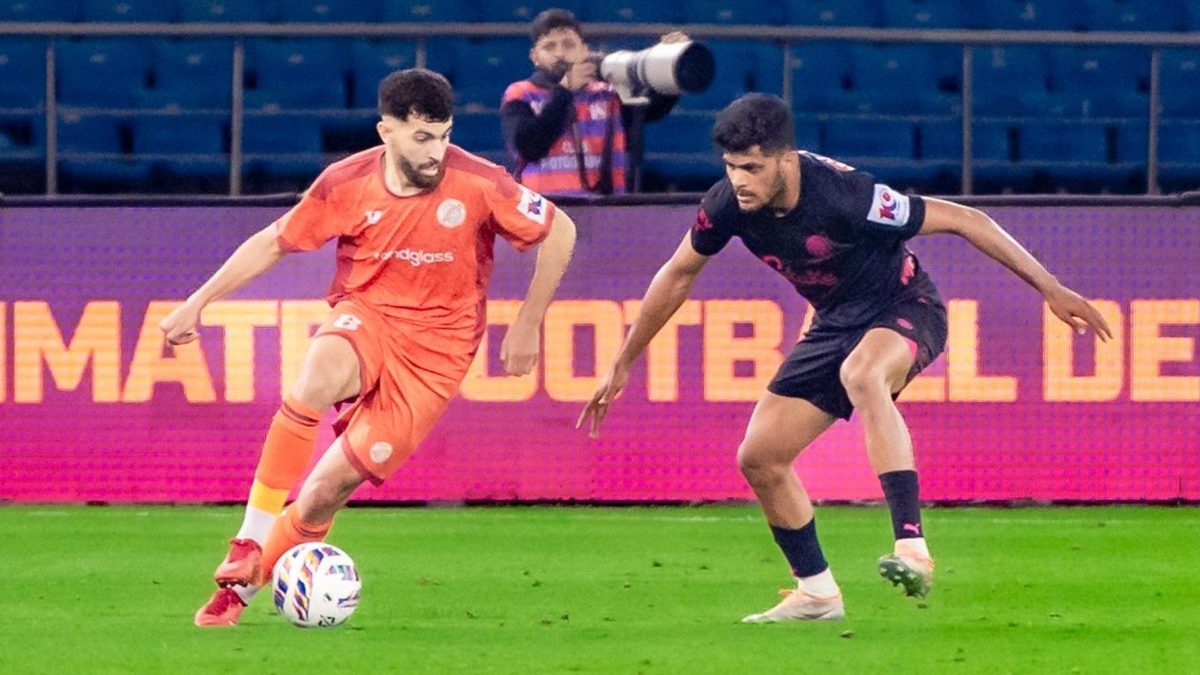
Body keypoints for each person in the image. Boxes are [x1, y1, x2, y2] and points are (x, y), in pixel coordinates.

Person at [577, 94, 1112, 622]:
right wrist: (624, 361)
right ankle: (817, 594)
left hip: (905, 307)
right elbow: (677, 273)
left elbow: (966, 219)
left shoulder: (848, 196)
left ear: (786, 159)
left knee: (863, 373)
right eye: (731, 166)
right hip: (833, 323)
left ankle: (912, 547)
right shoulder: (727, 206)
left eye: (752, 168)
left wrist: (1051, 287)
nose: (739, 180)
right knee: (760, 457)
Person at [163, 68, 577, 627]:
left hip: (437, 355)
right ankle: (248, 541)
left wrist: (528, 323)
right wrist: (197, 302)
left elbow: (561, 229)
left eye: (444, 136)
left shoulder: (479, 181)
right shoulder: (346, 181)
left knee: (322, 494)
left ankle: (237, 597)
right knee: (316, 376)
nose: (436, 152)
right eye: (422, 137)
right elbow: (274, 242)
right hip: (369, 315)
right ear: (387, 131)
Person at [500, 8, 683, 195]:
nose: (560, 53)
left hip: (606, 208)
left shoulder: (607, 93)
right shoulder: (521, 93)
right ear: (535, 57)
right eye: (549, 47)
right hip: (545, 209)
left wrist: (672, 67)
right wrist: (564, 91)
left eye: (568, 45)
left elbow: (652, 109)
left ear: (584, 49)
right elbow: (528, 148)